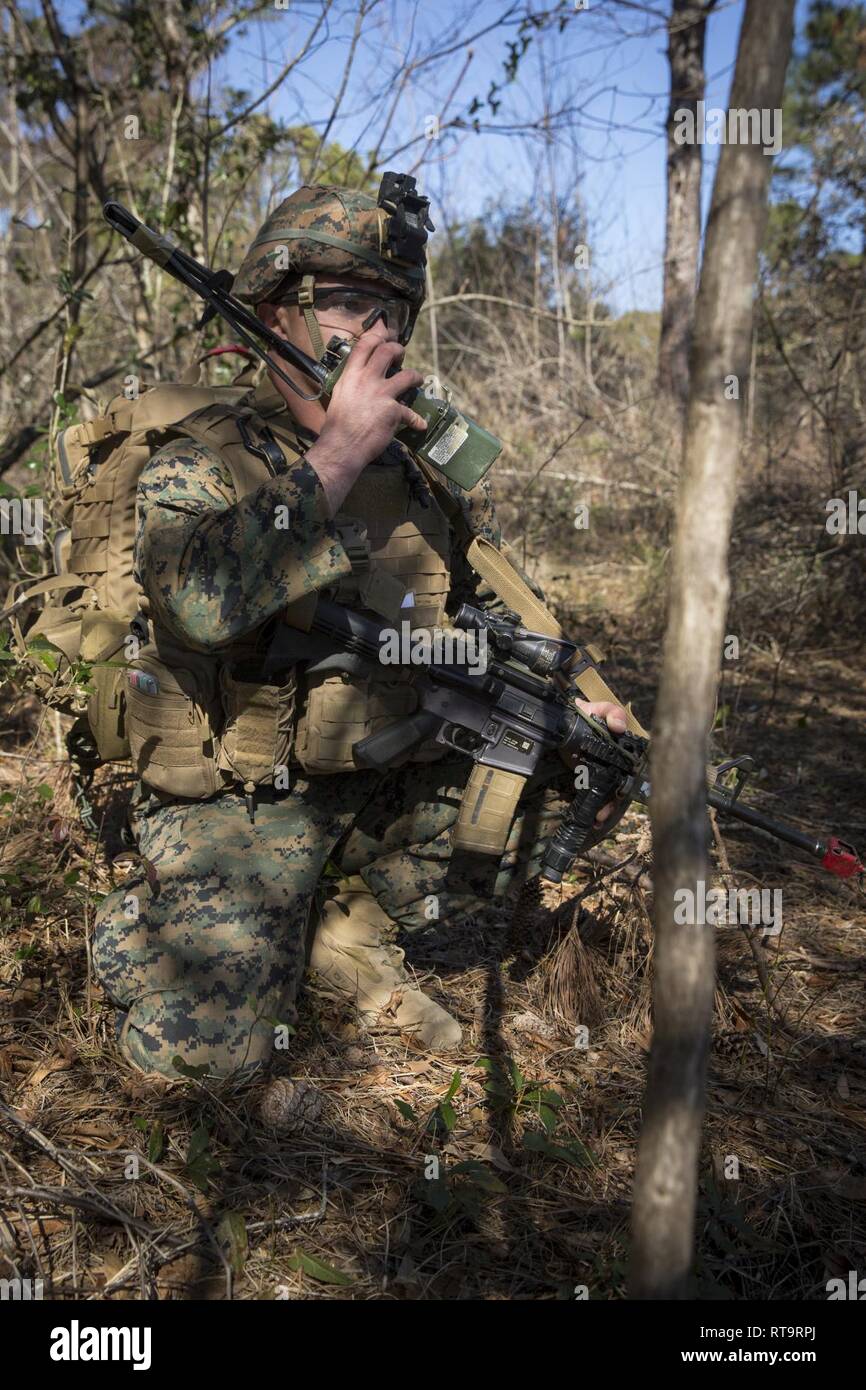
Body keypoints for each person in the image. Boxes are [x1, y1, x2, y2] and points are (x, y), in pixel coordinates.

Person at [91, 178, 627, 1078]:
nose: (372, 334)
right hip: (240, 804)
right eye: (345, 303)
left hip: (374, 775)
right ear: (275, 312)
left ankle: (341, 918)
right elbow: (195, 600)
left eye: (391, 312)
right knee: (200, 1064)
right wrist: (333, 457)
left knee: (572, 772)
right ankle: (147, 918)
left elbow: (488, 612)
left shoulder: (416, 478)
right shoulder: (202, 456)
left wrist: (584, 715)